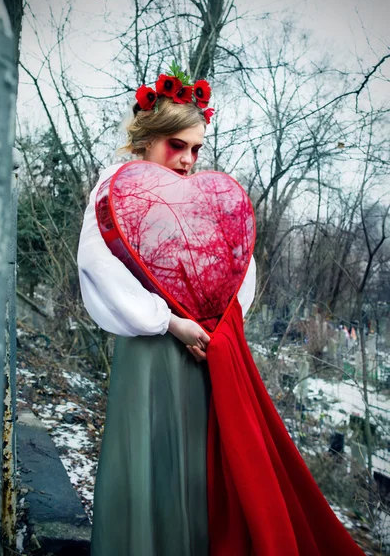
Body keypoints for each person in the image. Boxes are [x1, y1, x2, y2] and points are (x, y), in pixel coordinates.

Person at [77, 73, 256, 556]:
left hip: (202, 356)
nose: (188, 159)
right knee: (149, 463)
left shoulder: (202, 197)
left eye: (197, 149)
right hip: (150, 350)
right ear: (147, 138)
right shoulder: (115, 191)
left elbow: (237, 267)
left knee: (197, 473)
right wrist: (168, 322)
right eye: (178, 145)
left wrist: (217, 326)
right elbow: (98, 266)